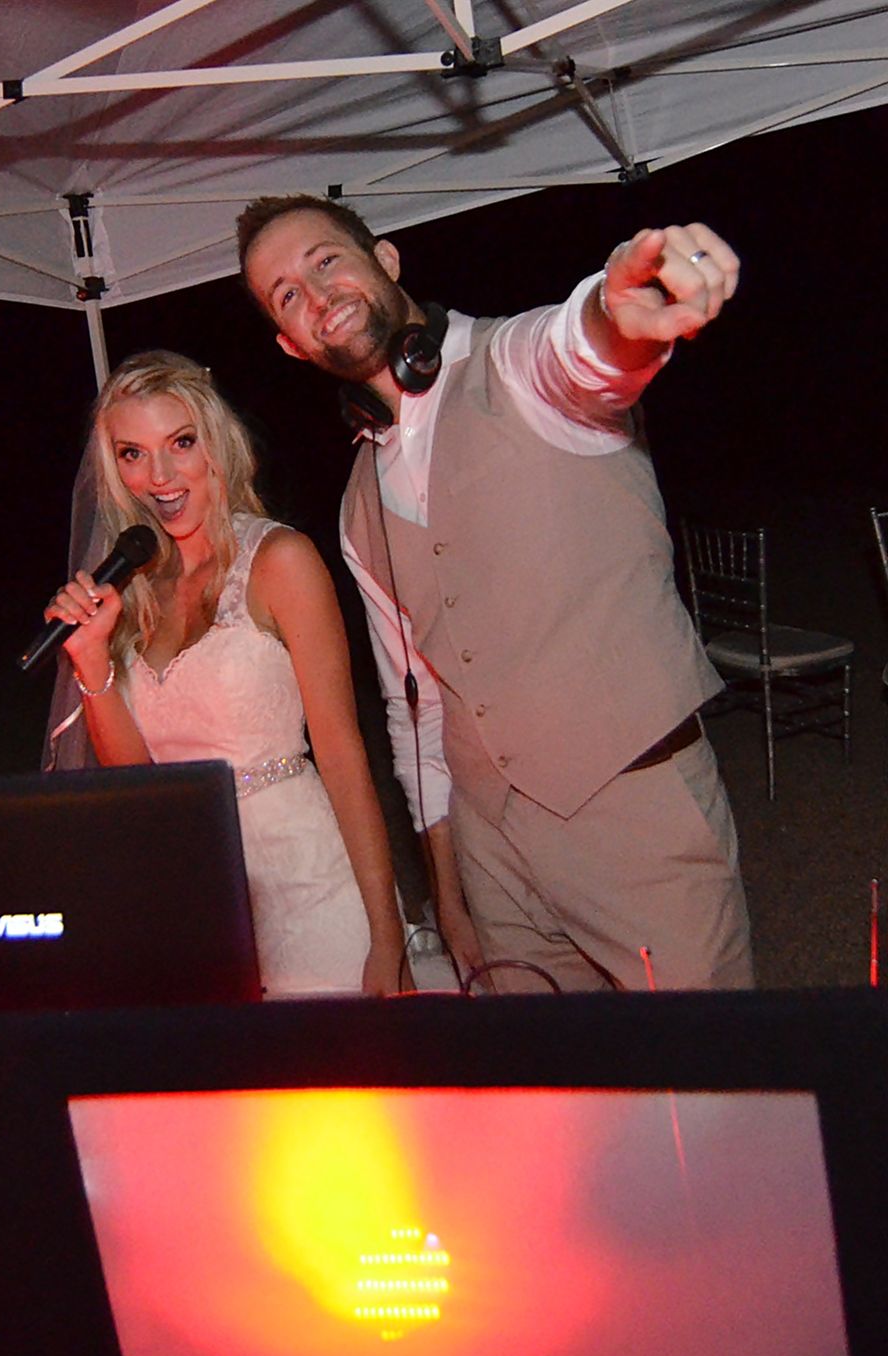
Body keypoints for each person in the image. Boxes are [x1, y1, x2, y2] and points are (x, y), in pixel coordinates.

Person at [236, 193, 754, 993]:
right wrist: (450, 883)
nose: (317, 296)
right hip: (490, 852)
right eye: (288, 296)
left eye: (326, 260)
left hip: (634, 812)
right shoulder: (354, 507)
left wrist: (617, 316)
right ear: (290, 345)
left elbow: (578, 352)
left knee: (713, 1094)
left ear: (388, 259)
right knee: (562, 1108)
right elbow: (417, 706)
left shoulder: (516, 364)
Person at [43, 350, 409, 999]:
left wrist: (387, 936)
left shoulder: (281, 560)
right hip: (197, 896)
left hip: (308, 885)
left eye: (180, 442)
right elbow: (140, 788)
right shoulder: (128, 588)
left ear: (216, 442)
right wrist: (93, 660)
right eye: (132, 453)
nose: (160, 475)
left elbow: (345, 753)